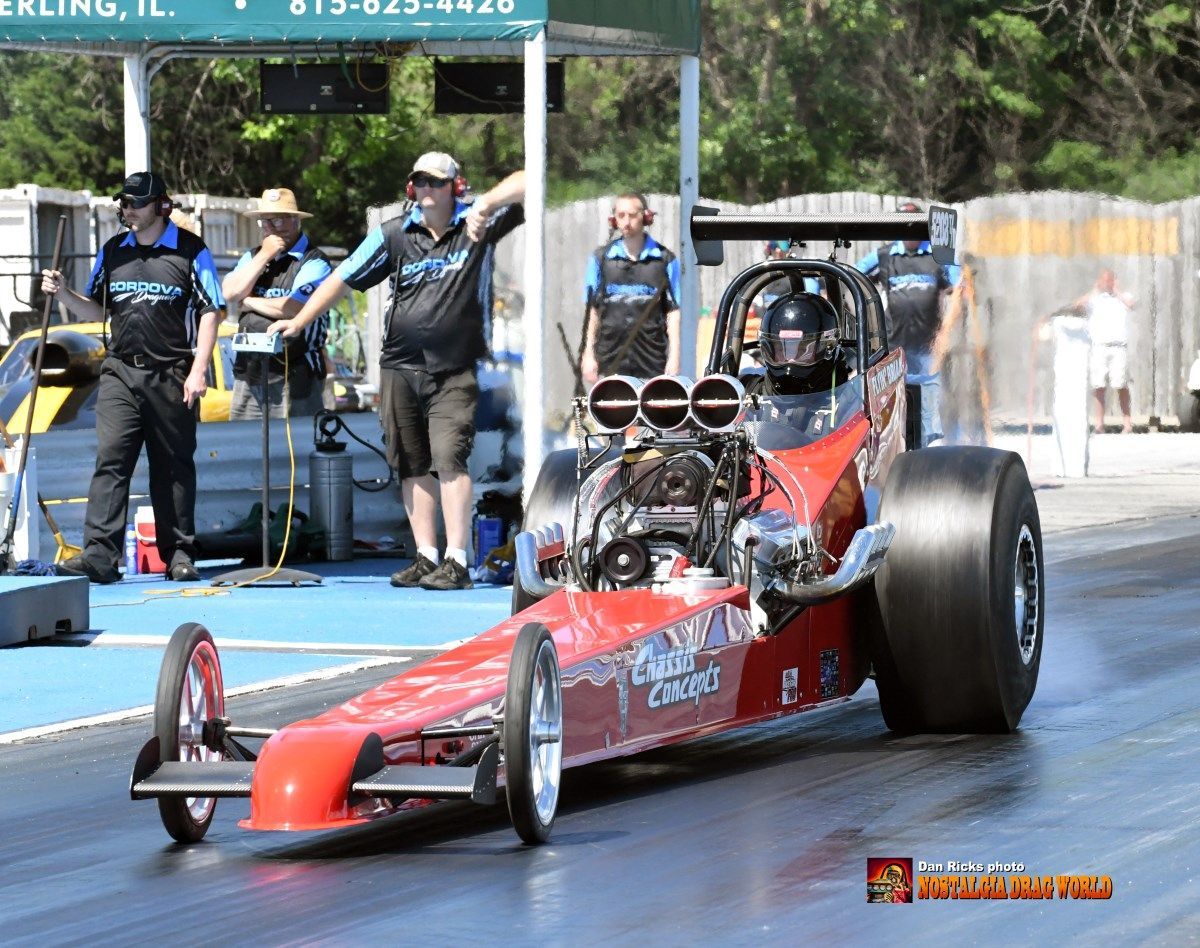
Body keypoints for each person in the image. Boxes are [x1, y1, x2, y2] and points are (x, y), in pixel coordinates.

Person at [268, 153, 525, 591]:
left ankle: (458, 561)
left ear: (455, 188)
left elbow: (530, 178)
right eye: (419, 181)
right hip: (400, 365)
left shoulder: (476, 225)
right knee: (411, 464)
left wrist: (486, 205)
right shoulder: (393, 234)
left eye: (436, 182)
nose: (427, 189)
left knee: (450, 458)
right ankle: (425, 555)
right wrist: (300, 320)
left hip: (455, 368)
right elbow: (343, 277)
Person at [40, 171, 223, 583]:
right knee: (111, 460)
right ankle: (100, 558)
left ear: (162, 206)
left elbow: (212, 309)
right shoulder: (113, 250)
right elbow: (97, 311)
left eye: (136, 203)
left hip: (172, 372)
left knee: (172, 466)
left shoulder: (191, 251)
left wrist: (199, 370)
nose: (128, 210)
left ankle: (178, 554)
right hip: (120, 370)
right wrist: (64, 293)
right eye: (123, 203)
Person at [222, 188, 332, 418]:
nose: (270, 228)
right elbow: (230, 293)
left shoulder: (315, 261)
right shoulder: (254, 257)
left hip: (295, 375)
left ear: (296, 221)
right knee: (246, 447)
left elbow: (294, 307)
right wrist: (265, 255)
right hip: (250, 373)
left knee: (293, 451)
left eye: (278, 220)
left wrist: (250, 301)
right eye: (264, 221)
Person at [856, 201, 958, 446]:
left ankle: (929, 452)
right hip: (895, 345)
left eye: (914, 225)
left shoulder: (937, 255)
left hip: (929, 346)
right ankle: (899, 450)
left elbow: (960, 283)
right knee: (895, 401)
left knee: (930, 406)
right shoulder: (883, 255)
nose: (909, 229)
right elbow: (853, 274)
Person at [581, 193, 682, 384]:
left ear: (645, 217)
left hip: (652, 359)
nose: (626, 221)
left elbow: (673, 312)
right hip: (609, 357)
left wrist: (674, 356)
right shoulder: (601, 259)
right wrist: (587, 354)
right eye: (621, 215)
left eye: (632, 215)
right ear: (614, 220)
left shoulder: (665, 259)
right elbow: (591, 311)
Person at [753, 292, 851, 396]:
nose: (790, 360)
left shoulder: (850, 398)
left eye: (802, 350)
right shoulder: (748, 391)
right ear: (768, 349)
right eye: (782, 350)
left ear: (827, 348)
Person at [1074, 268, 1135, 434]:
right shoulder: (1095, 299)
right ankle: (1099, 424)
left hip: (1118, 347)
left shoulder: (1124, 297)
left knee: (1120, 384)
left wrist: (1117, 291)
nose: (1107, 284)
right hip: (1099, 346)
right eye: (1104, 280)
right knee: (1098, 385)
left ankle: (1127, 423)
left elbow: (1131, 304)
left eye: (1110, 280)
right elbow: (1078, 305)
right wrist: (1095, 290)